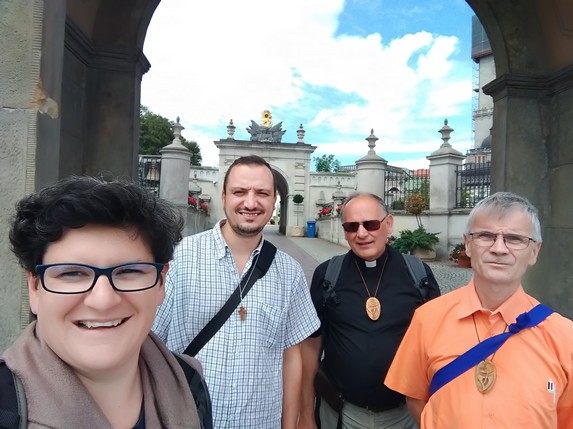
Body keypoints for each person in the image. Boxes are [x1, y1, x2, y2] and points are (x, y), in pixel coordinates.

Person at [1, 176, 206, 428]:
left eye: (130, 271)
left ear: (160, 283)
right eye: (72, 273)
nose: (103, 301)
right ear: (35, 287)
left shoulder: (189, 382)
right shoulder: (6, 408)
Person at [152, 155, 320, 429]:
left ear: (275, 199)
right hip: (186, 420)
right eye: (240, 192)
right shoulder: (179, 258)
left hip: (260, 422)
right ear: (223, 196)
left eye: (262, 193)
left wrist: (289, 425)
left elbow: (291, 357)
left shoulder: (290, 272)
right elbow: (147, 343)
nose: (251, 203)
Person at [385, 192, 573, 428]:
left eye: (514, 239)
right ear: (468, 245)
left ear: (534, 251)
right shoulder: (428, 318)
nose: (499, 248)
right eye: (486, 235)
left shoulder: (565, 337)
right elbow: (414, 396)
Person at [299, 193, 440, 429]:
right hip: (341, 413)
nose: (362, 233)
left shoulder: (419, 274)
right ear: (345, 231)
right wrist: (305, 413)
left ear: (389, 223)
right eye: (352, 226)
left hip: (405, 415)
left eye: (371, 224)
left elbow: (436, 346)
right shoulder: (327, 275)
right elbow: (311, 346)